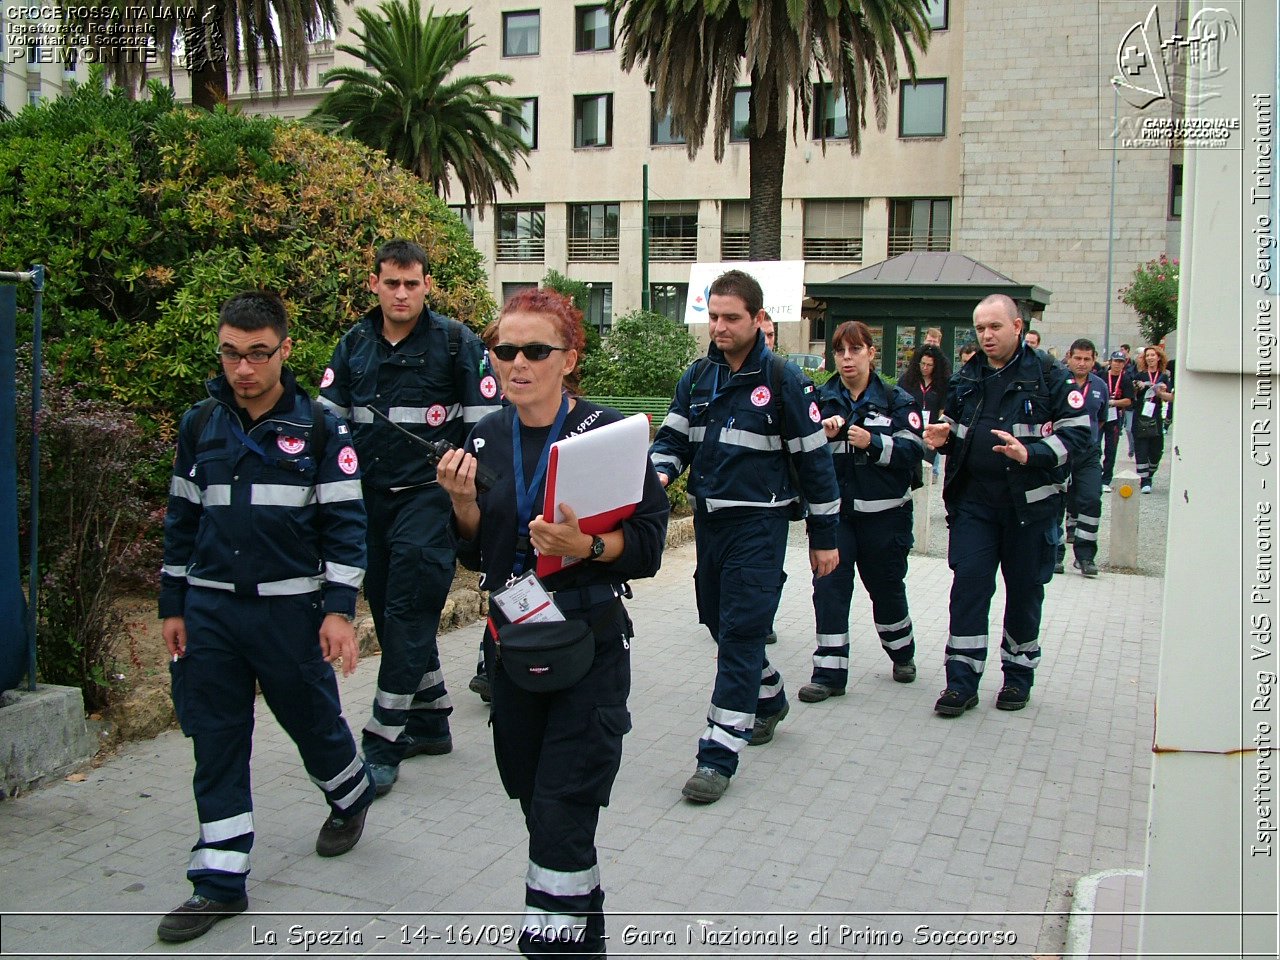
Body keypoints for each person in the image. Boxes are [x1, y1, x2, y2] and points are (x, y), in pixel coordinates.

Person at [436, 288, 669, 959]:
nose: (516, 362)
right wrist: (462, 505)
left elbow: (650, 544)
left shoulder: (609, 433)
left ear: (569, 359)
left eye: (535, 350)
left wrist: (589, 548)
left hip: (588, 649)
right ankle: (583, 936)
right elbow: (478, 551)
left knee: (562, 811)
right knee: (537, 803)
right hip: (512, 650)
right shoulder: (484, 435)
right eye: (503, 349)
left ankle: (551, 947)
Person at [157, 292, 374, 943]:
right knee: (216, 738)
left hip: (288, 611)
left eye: (257, 354)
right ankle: (219, 879)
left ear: (283, 350)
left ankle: (350, 790)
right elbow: (181, 522)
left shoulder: (320, 428)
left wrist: (339, 611)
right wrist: (173, 605)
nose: (243, 368)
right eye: (231, 353)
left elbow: (346, 525)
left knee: (311, 720)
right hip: (212, 611)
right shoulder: (201, 425)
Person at [649, 269, 840, 804]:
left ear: (760, 319)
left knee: (740, 635)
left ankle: (717, 755)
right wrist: (657, 474)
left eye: (731, 317)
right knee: (715, 619)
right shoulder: (698, 377)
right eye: (712, 316)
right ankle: (771, 697)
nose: (719, 327)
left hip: (762, 525)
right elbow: (672, 440)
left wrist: (826, 536)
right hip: (712, 526)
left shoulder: (784, 380)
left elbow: (815, 464)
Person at [319, 239, 502, 796]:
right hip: (369, 499)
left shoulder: (455, 342)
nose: (401, 293)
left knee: (408, 609)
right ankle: (430, 719)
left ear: (427, 286)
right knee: (387, 601)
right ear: (374, 284)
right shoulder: (352, 345)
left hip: (430, 496)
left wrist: (469, 496)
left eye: (412, 283)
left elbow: (486, 426)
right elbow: (325, 428)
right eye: (391, 282)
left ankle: (383, 739)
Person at [922, 294, 1089, 716]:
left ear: (1018, 326)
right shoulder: (967, 375)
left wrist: (1031, 453)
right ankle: (960, 682)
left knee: (1025, 593)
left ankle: (1017, 677)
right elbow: (957, 425)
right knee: (969, 589)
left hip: (1029, 511)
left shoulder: (1051, 376)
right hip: (974, 506)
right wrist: (945, 437)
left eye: (995, 327)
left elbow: (1079, 438)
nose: (987, 335)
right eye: (980, 328)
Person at [799, 321, 924, 703]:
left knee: (886, 591)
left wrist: (873, 442)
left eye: (855, 350)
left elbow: (914, 451)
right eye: (840, 351)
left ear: (872, 353)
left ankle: (901, 652)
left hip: (885, 519)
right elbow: (800, 453)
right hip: (835, 519)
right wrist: (823, 433)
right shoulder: (820, 399)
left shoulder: (896, 399)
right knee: (829, 591)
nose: (847, 358)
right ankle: (829, 673)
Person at [1055, 339, 1108, 578]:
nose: (1082, 363)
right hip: (1061, 450)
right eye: (1078, 358)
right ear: (1069, 357)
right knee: (1055, 501)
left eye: (1087, 359)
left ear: (1094, 360)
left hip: (1088, 453)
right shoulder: (1057, 382)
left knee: (1090, 500)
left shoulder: (1100, 386)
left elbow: (1102, 419)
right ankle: (1054, 553)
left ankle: (1085, 556)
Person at [898, 343, 950, 480]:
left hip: (930, 430)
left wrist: (938, 428)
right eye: (922, 364)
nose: (925, 368)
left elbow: (942, 409)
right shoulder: (907, 380)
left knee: (926, 466)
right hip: (911, 428)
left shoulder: (942, 384)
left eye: (929, 365)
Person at [1132, 345, 1175, 493]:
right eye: (1147, 355)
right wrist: (1137, 387)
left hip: (1155, 416)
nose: (1150, 358)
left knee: (1157, 450)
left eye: (1152, 355)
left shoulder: (1164, 376)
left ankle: (1150, 474)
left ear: (1158, 358)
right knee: (1141, 449)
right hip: (1140, 415)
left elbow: (1171, 397)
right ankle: (1144, 480)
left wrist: (1160, 392)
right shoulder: (1139, 375)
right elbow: (1132, 394)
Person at [1101, 350, 1134, 491]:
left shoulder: (1126, 379)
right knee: (1094, 445)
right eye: (1115, 361)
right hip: (1099, 416)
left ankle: (1106, 479)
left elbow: (1128, 401)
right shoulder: (1101, 376)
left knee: (1111, 449)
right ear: (1110, 362)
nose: (1117, 364)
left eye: (1121, 362)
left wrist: (1114, 402)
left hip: (1115, 417)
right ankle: (1094, 475)